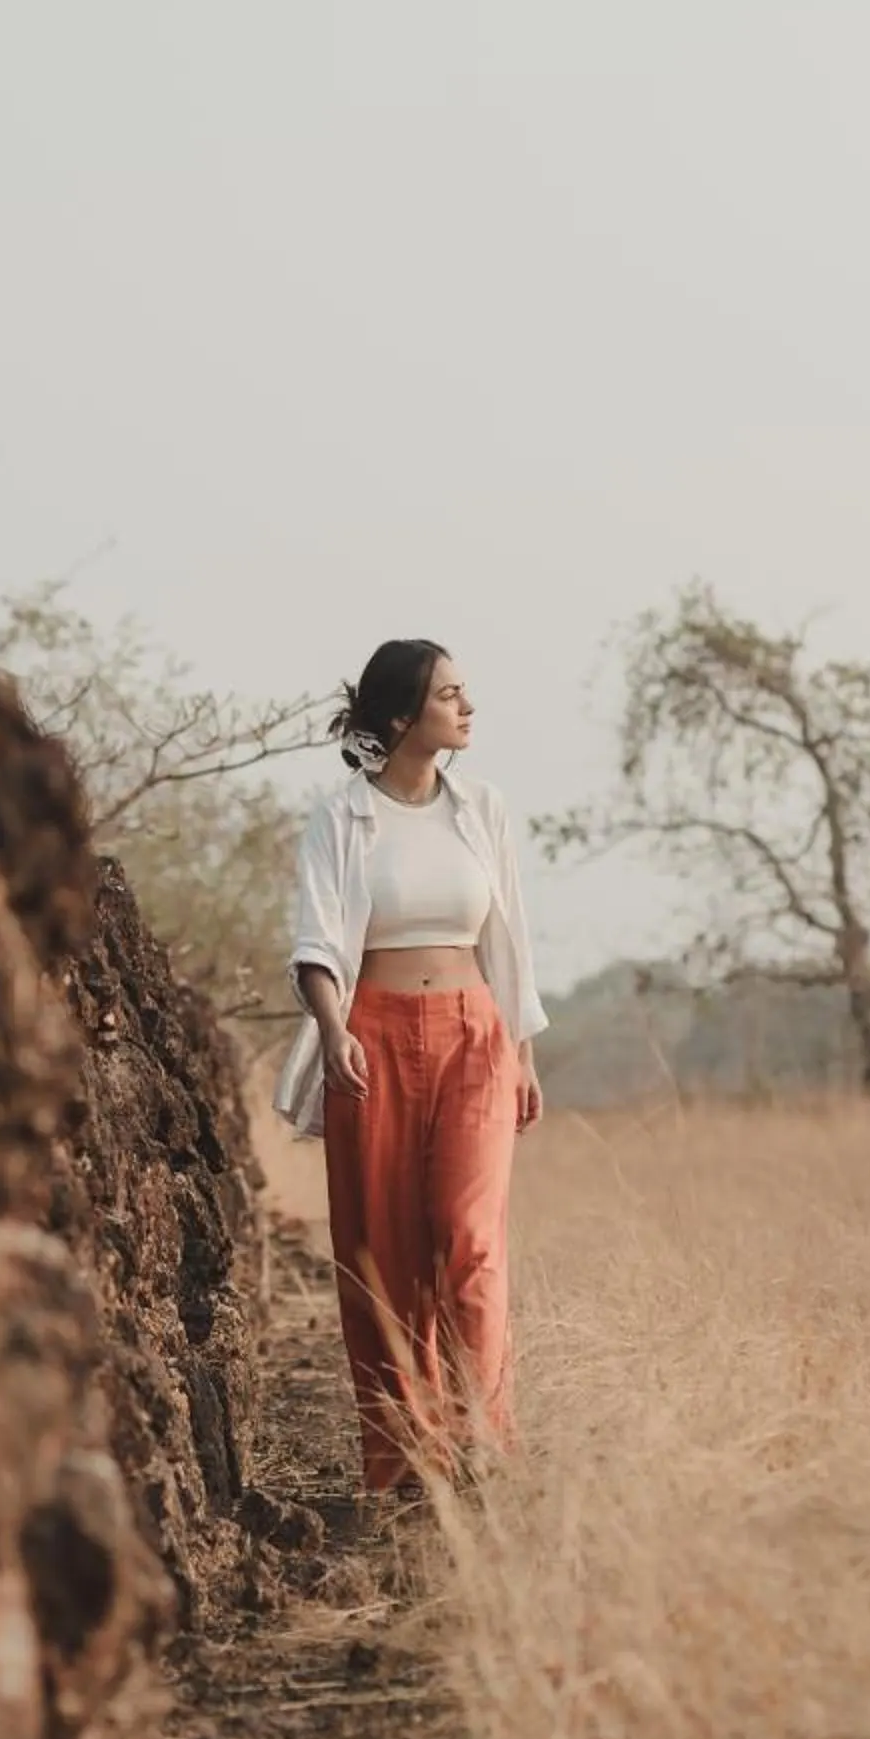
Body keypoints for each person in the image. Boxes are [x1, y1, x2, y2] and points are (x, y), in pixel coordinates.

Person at [277, 639, 547, 1499]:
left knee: (469, 1243)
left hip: (476, 1036)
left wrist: (523, 1052)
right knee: (383, 1255)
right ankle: (401, 1468)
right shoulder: (342, 817)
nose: (467, 708)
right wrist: (334, 1031)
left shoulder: (483, 809)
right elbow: (317, 939)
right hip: (374, 1038)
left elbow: (510, 937)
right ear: (402, 718)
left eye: (465, 692)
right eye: (450, 695)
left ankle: (485, 1448)